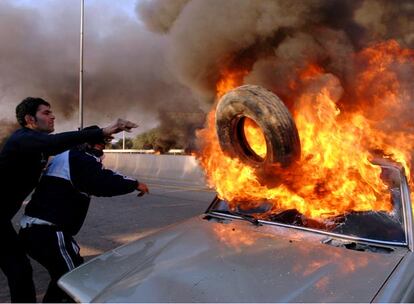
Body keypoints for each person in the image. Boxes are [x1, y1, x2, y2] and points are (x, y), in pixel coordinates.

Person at [0, 97, 138, 302]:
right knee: (19, 270)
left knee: (19, 271)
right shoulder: (22, 138)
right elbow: (55, 143)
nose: (52, 116)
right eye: (46, 113)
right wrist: (104, 130)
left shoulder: (35, 149)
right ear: (30, 119)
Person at [19, 126, 149, 302]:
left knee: (65, 278)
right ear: (88, 144)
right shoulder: (78, 158)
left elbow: (100, 175)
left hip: (37, 230)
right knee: (73, 280)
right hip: (46, 232)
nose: (101, 152)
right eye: (100, 146)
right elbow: (101, 182)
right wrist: (134, 184)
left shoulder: (68, 157)